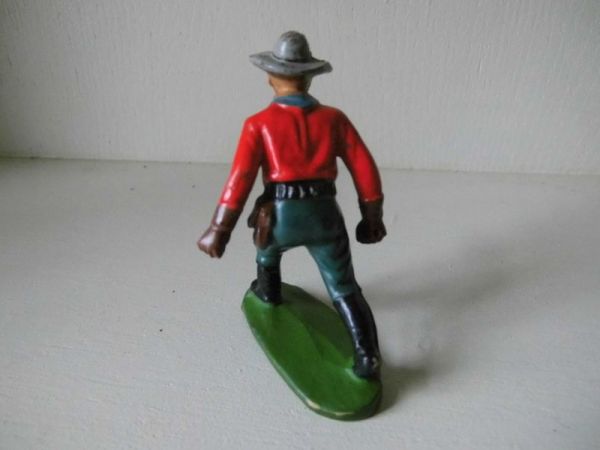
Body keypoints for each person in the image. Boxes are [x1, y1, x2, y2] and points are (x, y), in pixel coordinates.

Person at [197, 31, 387, 378]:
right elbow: (364, 166)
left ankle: (269, 294)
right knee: (344, 287)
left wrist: (219, 229)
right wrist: (372, 216)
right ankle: (367, 355)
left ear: (271, 77)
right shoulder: (334, 119)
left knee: (267, 253)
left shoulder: (257, 124)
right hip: (325, 214)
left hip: (281, 215)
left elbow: (240, 179)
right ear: (309, 78)